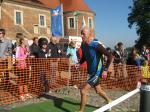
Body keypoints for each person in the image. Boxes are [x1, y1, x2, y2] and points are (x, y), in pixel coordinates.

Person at [76, 27, 113, 112]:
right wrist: (79, 63)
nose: (81, 35)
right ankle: (109, 100)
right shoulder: (83, 44)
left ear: (89, 34)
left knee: (83, 91)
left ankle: (81, 111)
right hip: (91, 71)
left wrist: (105, 70)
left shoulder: (95, 44)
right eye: (81, 33)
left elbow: (110, 56)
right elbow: (85, 56)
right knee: (98, 90)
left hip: (97, 72)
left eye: (83, 34)